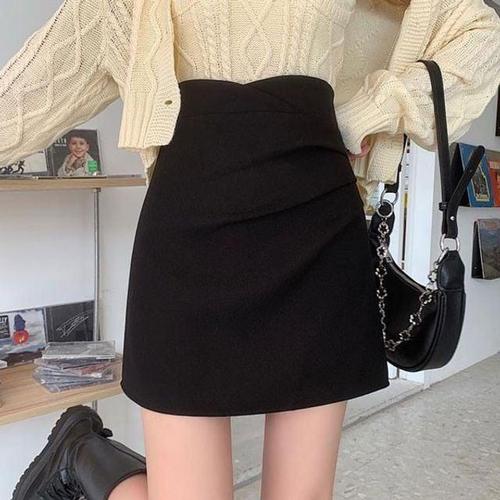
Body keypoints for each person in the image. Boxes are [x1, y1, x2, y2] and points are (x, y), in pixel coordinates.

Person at [1, 0, 499, 499]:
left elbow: (479, 37)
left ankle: (81, 453)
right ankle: (82, 453)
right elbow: (32, 90)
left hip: (317, 229)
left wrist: (368, 110)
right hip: (188, 229)